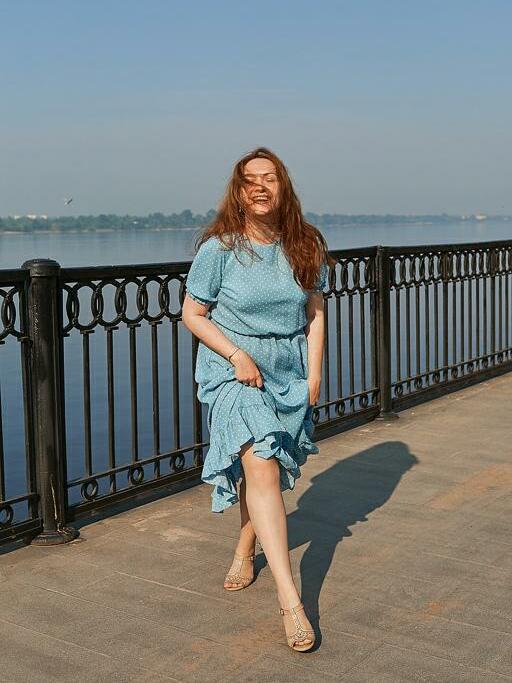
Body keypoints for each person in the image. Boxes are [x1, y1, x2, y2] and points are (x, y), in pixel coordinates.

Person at [182, 146, 334, 652]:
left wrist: (314, 372)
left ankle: (246, 547)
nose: (261, 187)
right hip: (234, 372)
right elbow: (193, 314)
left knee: (261, 467)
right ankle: (291, 602)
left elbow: (314, 310)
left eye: (270, 178)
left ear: (283, 186)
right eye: (251, 180)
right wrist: (236, 356)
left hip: (286, 370)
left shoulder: (304, 244)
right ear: (239, 191)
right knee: (262, 465)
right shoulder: (220, 249)